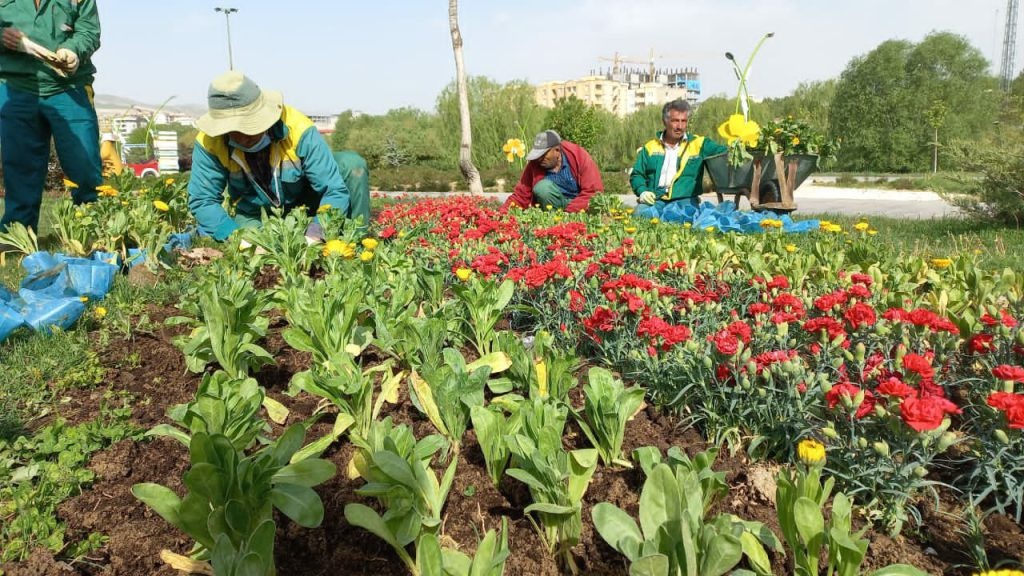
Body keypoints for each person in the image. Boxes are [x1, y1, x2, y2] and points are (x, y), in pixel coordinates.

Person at [188, 71, 370, 242]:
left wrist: (316, 233)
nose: (243, 136)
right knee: (258, 249)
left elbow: (334, 190)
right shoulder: (209, 143)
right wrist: (237, 239)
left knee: (351, 165)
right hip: (255, 214)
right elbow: (203, 200)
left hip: (306, 203)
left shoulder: (298, 129)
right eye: (234, 129)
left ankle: (354, 245)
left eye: (248, 126)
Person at [0, 0, 102, 232]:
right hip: (16, 85)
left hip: (70, 87)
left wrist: (74, 49)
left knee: (84, 163)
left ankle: (96, 232)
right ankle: (17, 236)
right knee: (19, 165)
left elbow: (89, 30)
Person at [630, 99, 727, 218]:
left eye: (684, 121)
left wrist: (742, 145)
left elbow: (725, 152)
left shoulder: (699, 144)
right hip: (656, 198)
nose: (680, 126)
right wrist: (643, 191)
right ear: (665, 121)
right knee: (640, 214)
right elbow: (637, 174)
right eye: (675, 121)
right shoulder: (650, 147)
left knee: (678, 218)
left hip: (685, 200)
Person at [501, 130, 602, 213]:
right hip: (552, 209)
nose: (539, 159)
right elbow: (521, 195)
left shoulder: (579, 156)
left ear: (557, 150)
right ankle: (553, 226)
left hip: (579, 205)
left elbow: (593, 192)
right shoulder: (535, 163)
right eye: (537, 155)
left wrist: (568, 213)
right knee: (542, 188)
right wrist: (502, 213)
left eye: (543, 155)